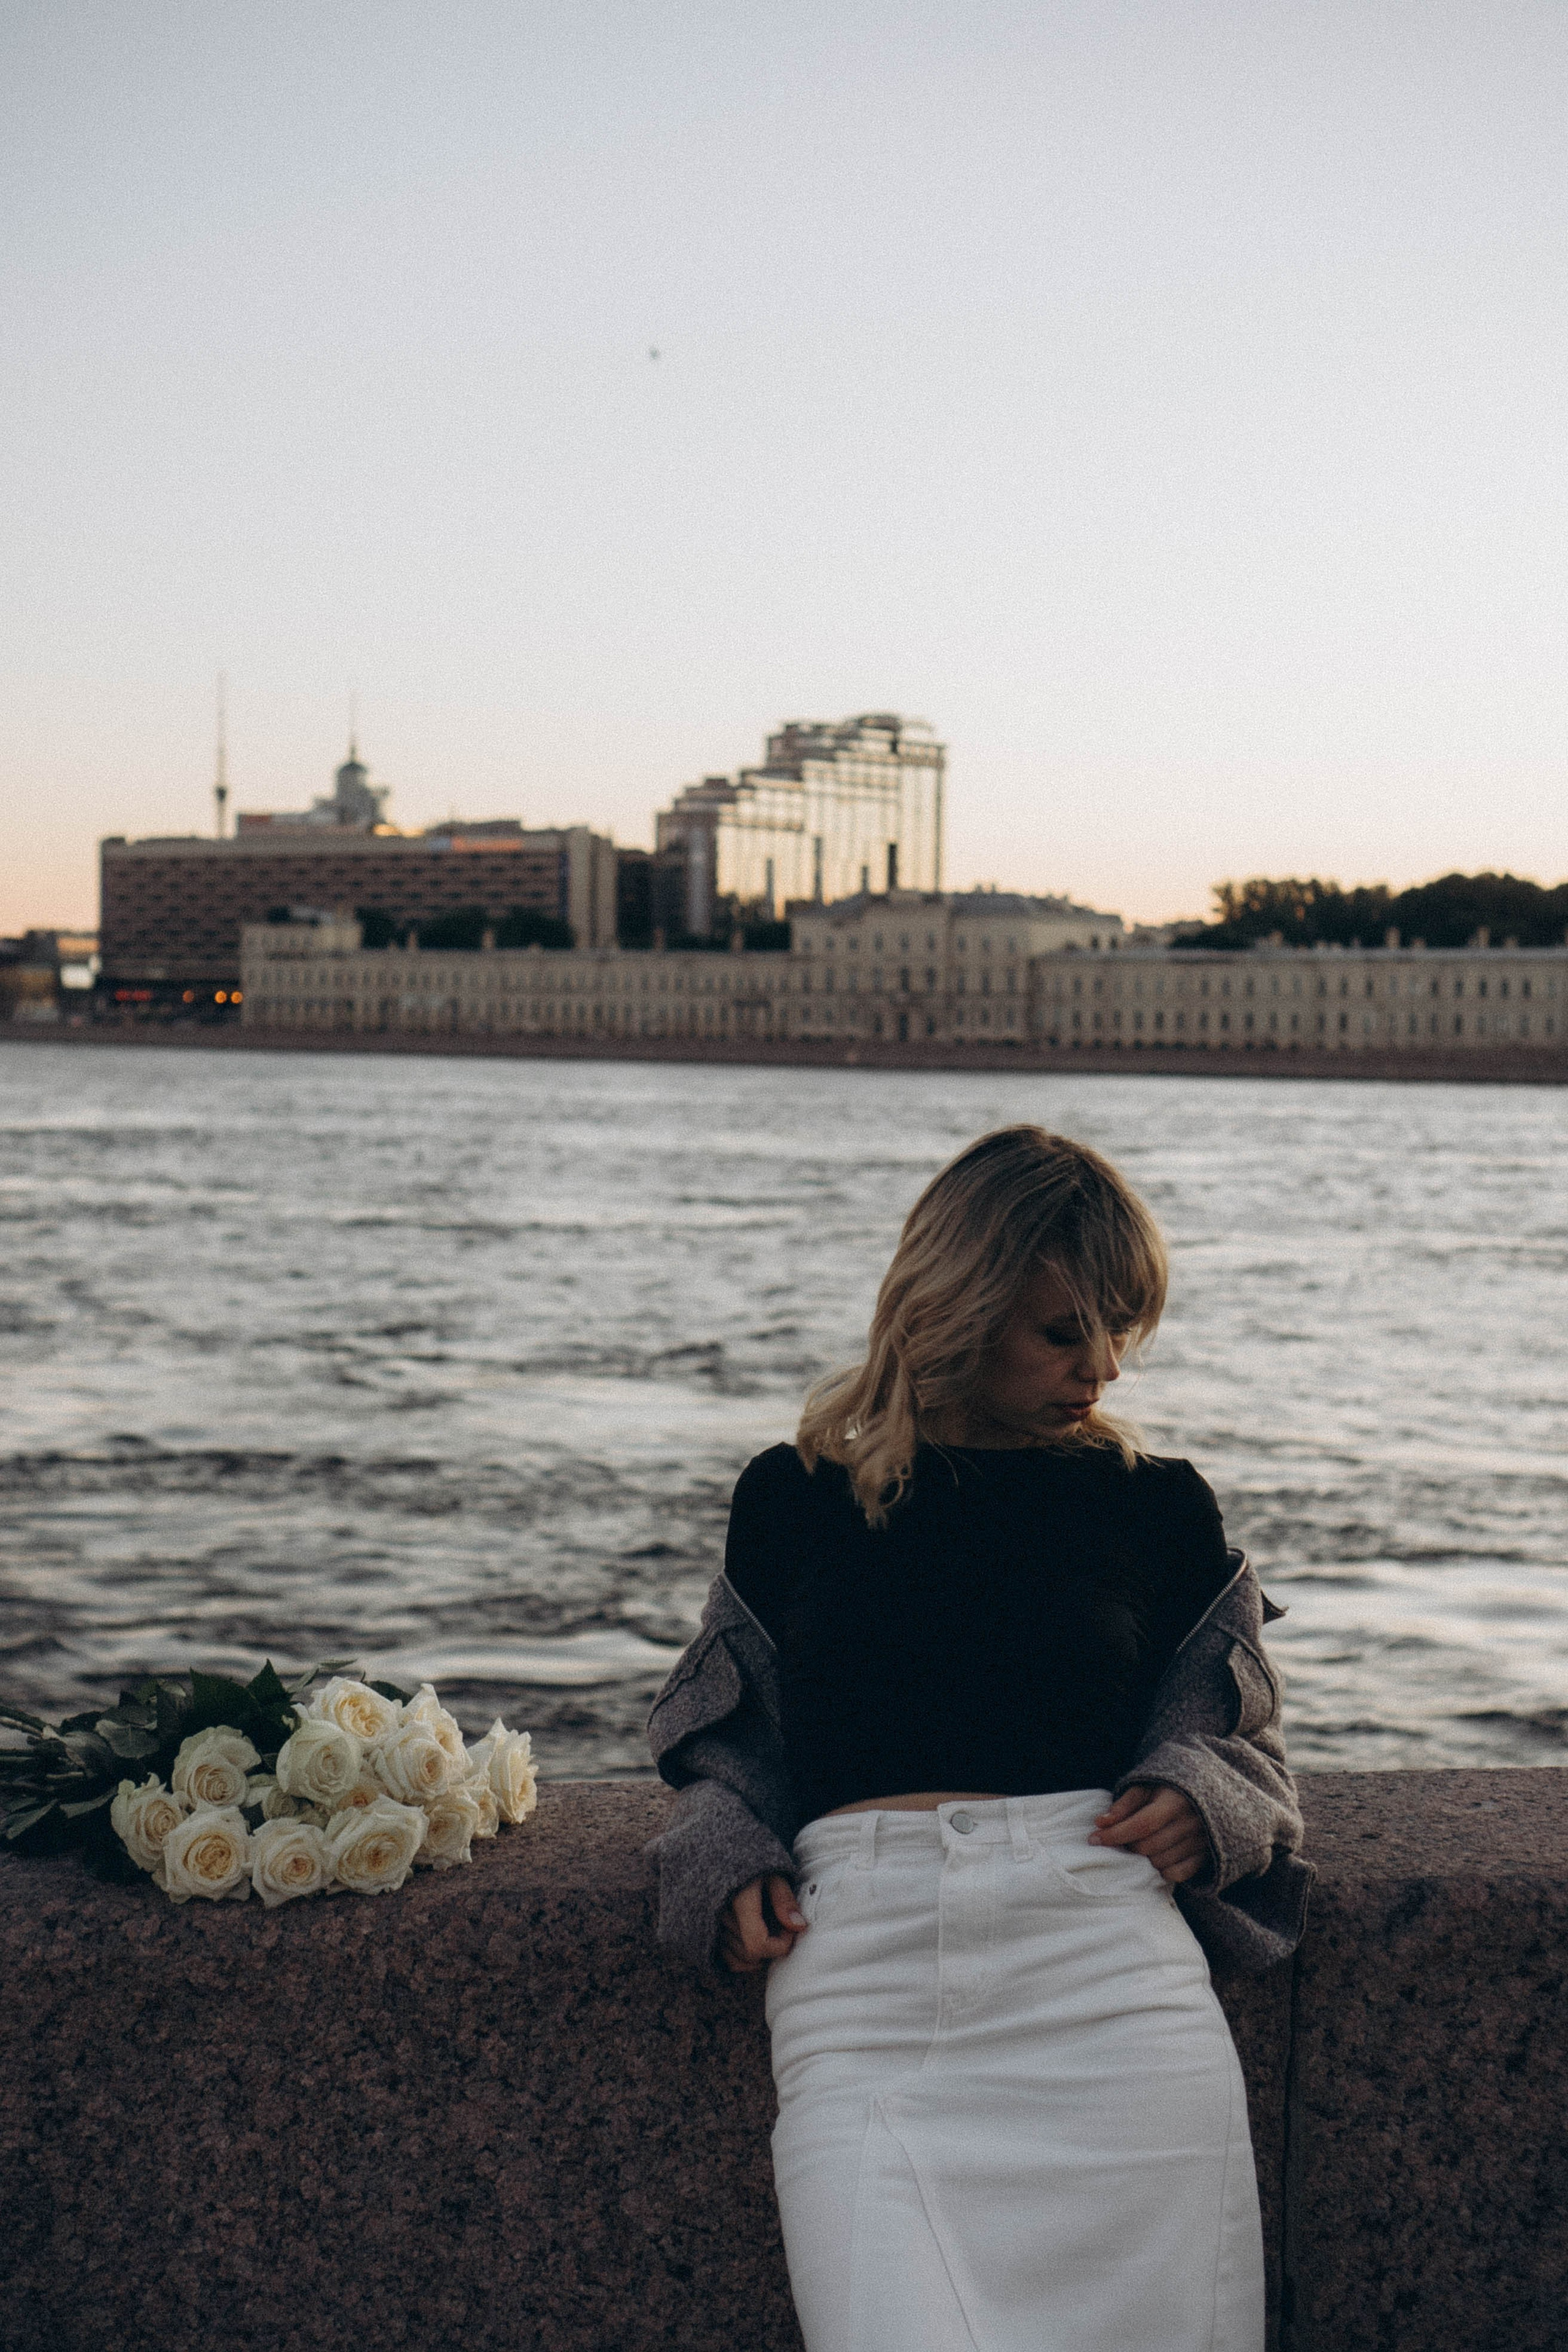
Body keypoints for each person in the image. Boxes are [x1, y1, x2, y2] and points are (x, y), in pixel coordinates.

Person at [648, 1126, 1311, 2352]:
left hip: (1109, 1974)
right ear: (956, 1303)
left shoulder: (1154, 1505)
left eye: (1119, 1330)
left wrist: (1194, 1793)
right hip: (861, 1983)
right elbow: (725, 1737)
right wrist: (724, 1852)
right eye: (1064, 1331)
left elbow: (1232, 1725)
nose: (1102, 1366)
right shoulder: (793, 1497)